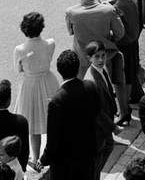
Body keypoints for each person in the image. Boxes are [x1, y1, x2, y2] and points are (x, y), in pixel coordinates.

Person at [39, 49, 102, 180]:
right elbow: (97, 113)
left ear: (59, 70)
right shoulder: (90, 87)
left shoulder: (56, 101)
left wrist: (44, 159)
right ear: (78, 68)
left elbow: (53, 139)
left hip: (65, 164)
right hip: (87, 155)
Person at [11, 12, 60, 169]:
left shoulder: (19, 49)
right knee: (52, 120)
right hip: (48, 81)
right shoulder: (50, 43)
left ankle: (36, 157)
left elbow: (18, 69)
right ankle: (52, 154)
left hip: (30, 84)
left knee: (33, 124)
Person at [65, 0, 124, 77]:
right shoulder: (108, 10)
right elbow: (120, 33)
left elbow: (71, 32)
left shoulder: (70, 12)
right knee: (105, 88)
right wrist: (109, 39)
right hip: (103, 58)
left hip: (83, 60)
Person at [82, 42, 119, 175]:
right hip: (98, 127)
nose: (101, 60)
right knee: (99, 155)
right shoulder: (91, 80)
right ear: (89, 58)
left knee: (109, 146)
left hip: (106, 122)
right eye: (96, 56)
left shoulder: (103, 69)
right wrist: (113, 127)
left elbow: (109, 90)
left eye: (103, 55)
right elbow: (96, 112)